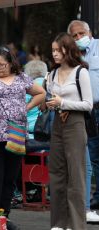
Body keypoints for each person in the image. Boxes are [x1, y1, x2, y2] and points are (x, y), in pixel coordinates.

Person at [0, 47, 45, 220]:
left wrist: (25, 108)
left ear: (11, 64)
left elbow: (41, 93)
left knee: (10, 178)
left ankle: (4, 217)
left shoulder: (22, 79)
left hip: (16, 135)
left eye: (2, 65)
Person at [45, 32, 92, 230]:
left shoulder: (81, 72)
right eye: (53, 50)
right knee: (56, 174)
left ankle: (75, 224)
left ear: (68, 49)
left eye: (59, 50)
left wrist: (62, 102)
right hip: (58, 122)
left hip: (75, 123)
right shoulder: (53, 73)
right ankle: (59, 223)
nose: (55, 54)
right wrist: (50, 103)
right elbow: (50, 97)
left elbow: (88, 104)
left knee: (76, 175)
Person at [68, 20, 99, 218]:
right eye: (74, 36)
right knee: (94, 157)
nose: (79, 38)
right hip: (87, 112)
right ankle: (96, 199)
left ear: (89, 32)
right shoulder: (73, 55)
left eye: (81, 33)